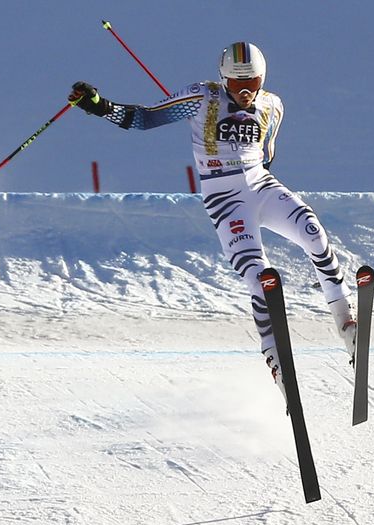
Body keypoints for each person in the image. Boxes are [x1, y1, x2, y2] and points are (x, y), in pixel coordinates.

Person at [69, 41, 357, 403]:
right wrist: (99, 107)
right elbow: (144, 118)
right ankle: (275, 357)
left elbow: (267, 155)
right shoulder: (201, 97)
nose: (246, 91)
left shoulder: (273, 105)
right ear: (224, 80)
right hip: (224, 196)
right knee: (259, 275)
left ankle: (346, 323)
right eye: (238, 85)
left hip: (260, 185)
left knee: (313, 233)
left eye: (252, 82)